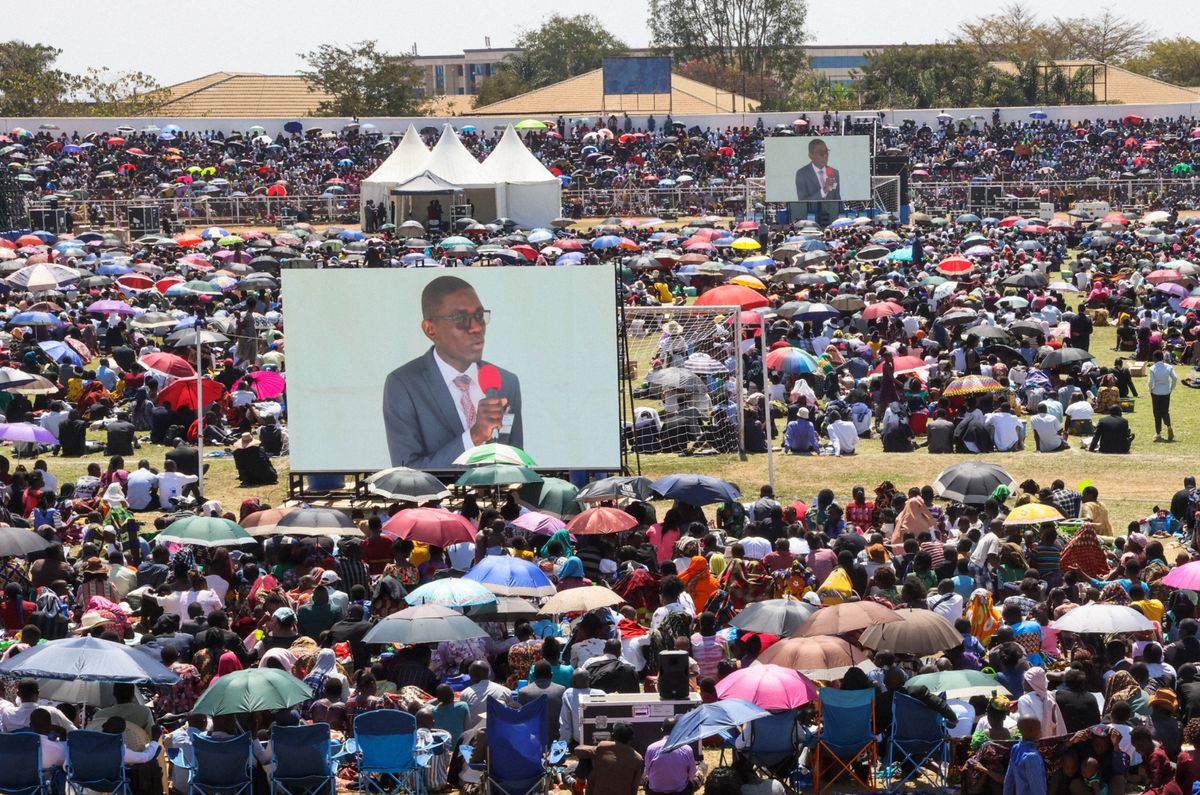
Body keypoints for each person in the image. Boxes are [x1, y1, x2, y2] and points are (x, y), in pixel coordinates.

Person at [382, 276, 523, 467]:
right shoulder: (404, 385)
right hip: (440, 497)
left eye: (480, 316)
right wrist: (474, 436)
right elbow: (408, 472)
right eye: (460, 319)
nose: (476, 327)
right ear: (430, 330)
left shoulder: (506, 383)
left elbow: (515, 461)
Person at [576, 722, 643, 795]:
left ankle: (578, 787)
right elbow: (634, 787)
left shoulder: (603, 746)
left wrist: (594, 750)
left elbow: (578, 750)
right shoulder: (638, 758)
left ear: (613, 735)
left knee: (582, 761)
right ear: (631, 738)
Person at [644, 716, 698, 795]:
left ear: (662, 730)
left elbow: (648, 772)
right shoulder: (687, 749)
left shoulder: (651, 748)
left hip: (655, 792)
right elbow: (692, 774)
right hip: (680, 792)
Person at [1003, 715, 1047, 795]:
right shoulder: (1032, 756)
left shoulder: (1016, 748)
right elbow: (1036, 787)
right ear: (1032, 731)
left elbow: (1009, 779)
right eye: (1039, 728)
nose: (1041, 731)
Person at [1146, 351, 1178, 442]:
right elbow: (1175, 378)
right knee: (1165, 411)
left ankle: (1158, 434)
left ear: (1155, 358)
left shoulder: (1152, 368)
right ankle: (1169, 427)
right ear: (1162, 358)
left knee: (1157, 413)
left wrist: (1150, 389)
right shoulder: (1169, 367)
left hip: (1156, 392)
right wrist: (1171, 388)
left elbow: (1150, 382)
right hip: (1166, 392)